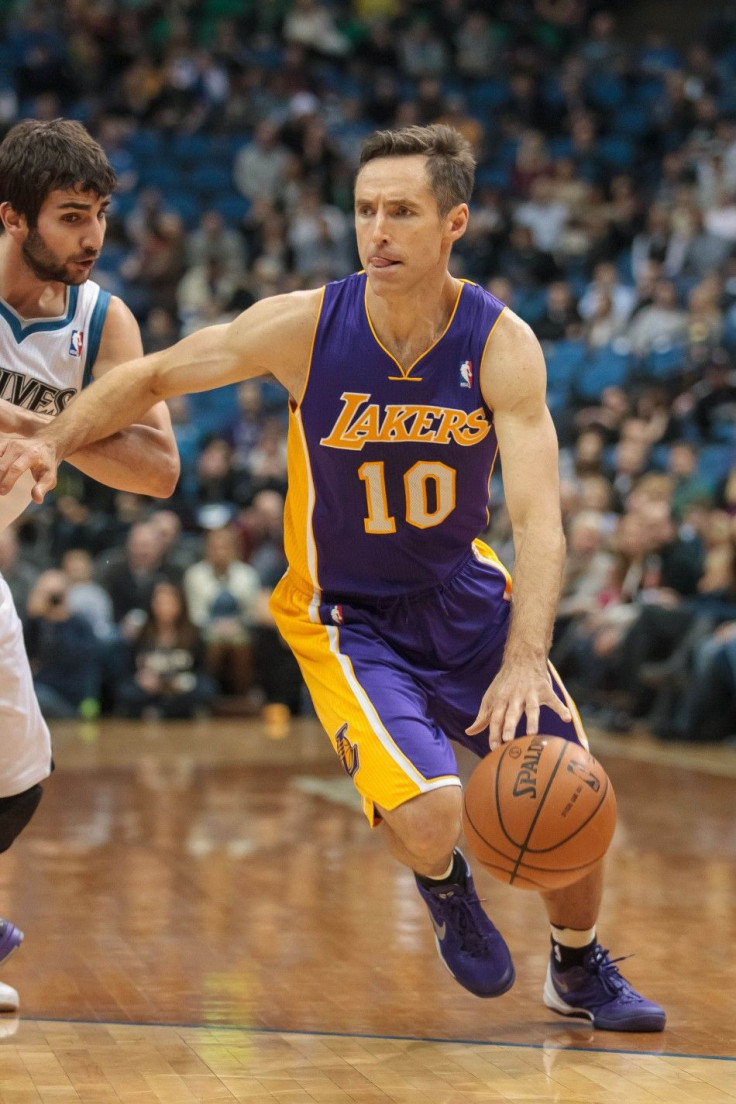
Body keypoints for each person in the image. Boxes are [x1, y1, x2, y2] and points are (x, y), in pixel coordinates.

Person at [0, 124, 665, 1032]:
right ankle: (445, 884)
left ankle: (578, 968)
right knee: (434, 815)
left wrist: (524, 657)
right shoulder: (308, 325)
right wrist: (48, 442)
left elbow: (538, 524)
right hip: (347, 614)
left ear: (454, 223)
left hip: (466, 599)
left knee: (569, 783)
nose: (377, 230)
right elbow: (153, 375)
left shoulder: (502, 343)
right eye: (364, 210)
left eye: (402, 211)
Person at [0, 117, 180, 1010]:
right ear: (12, 216)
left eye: (101, 214)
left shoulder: (106, 322)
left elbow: (158, 469)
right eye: (71, 216)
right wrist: (59, 431)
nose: (94, 237)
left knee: (18, 783)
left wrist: (48, 435)